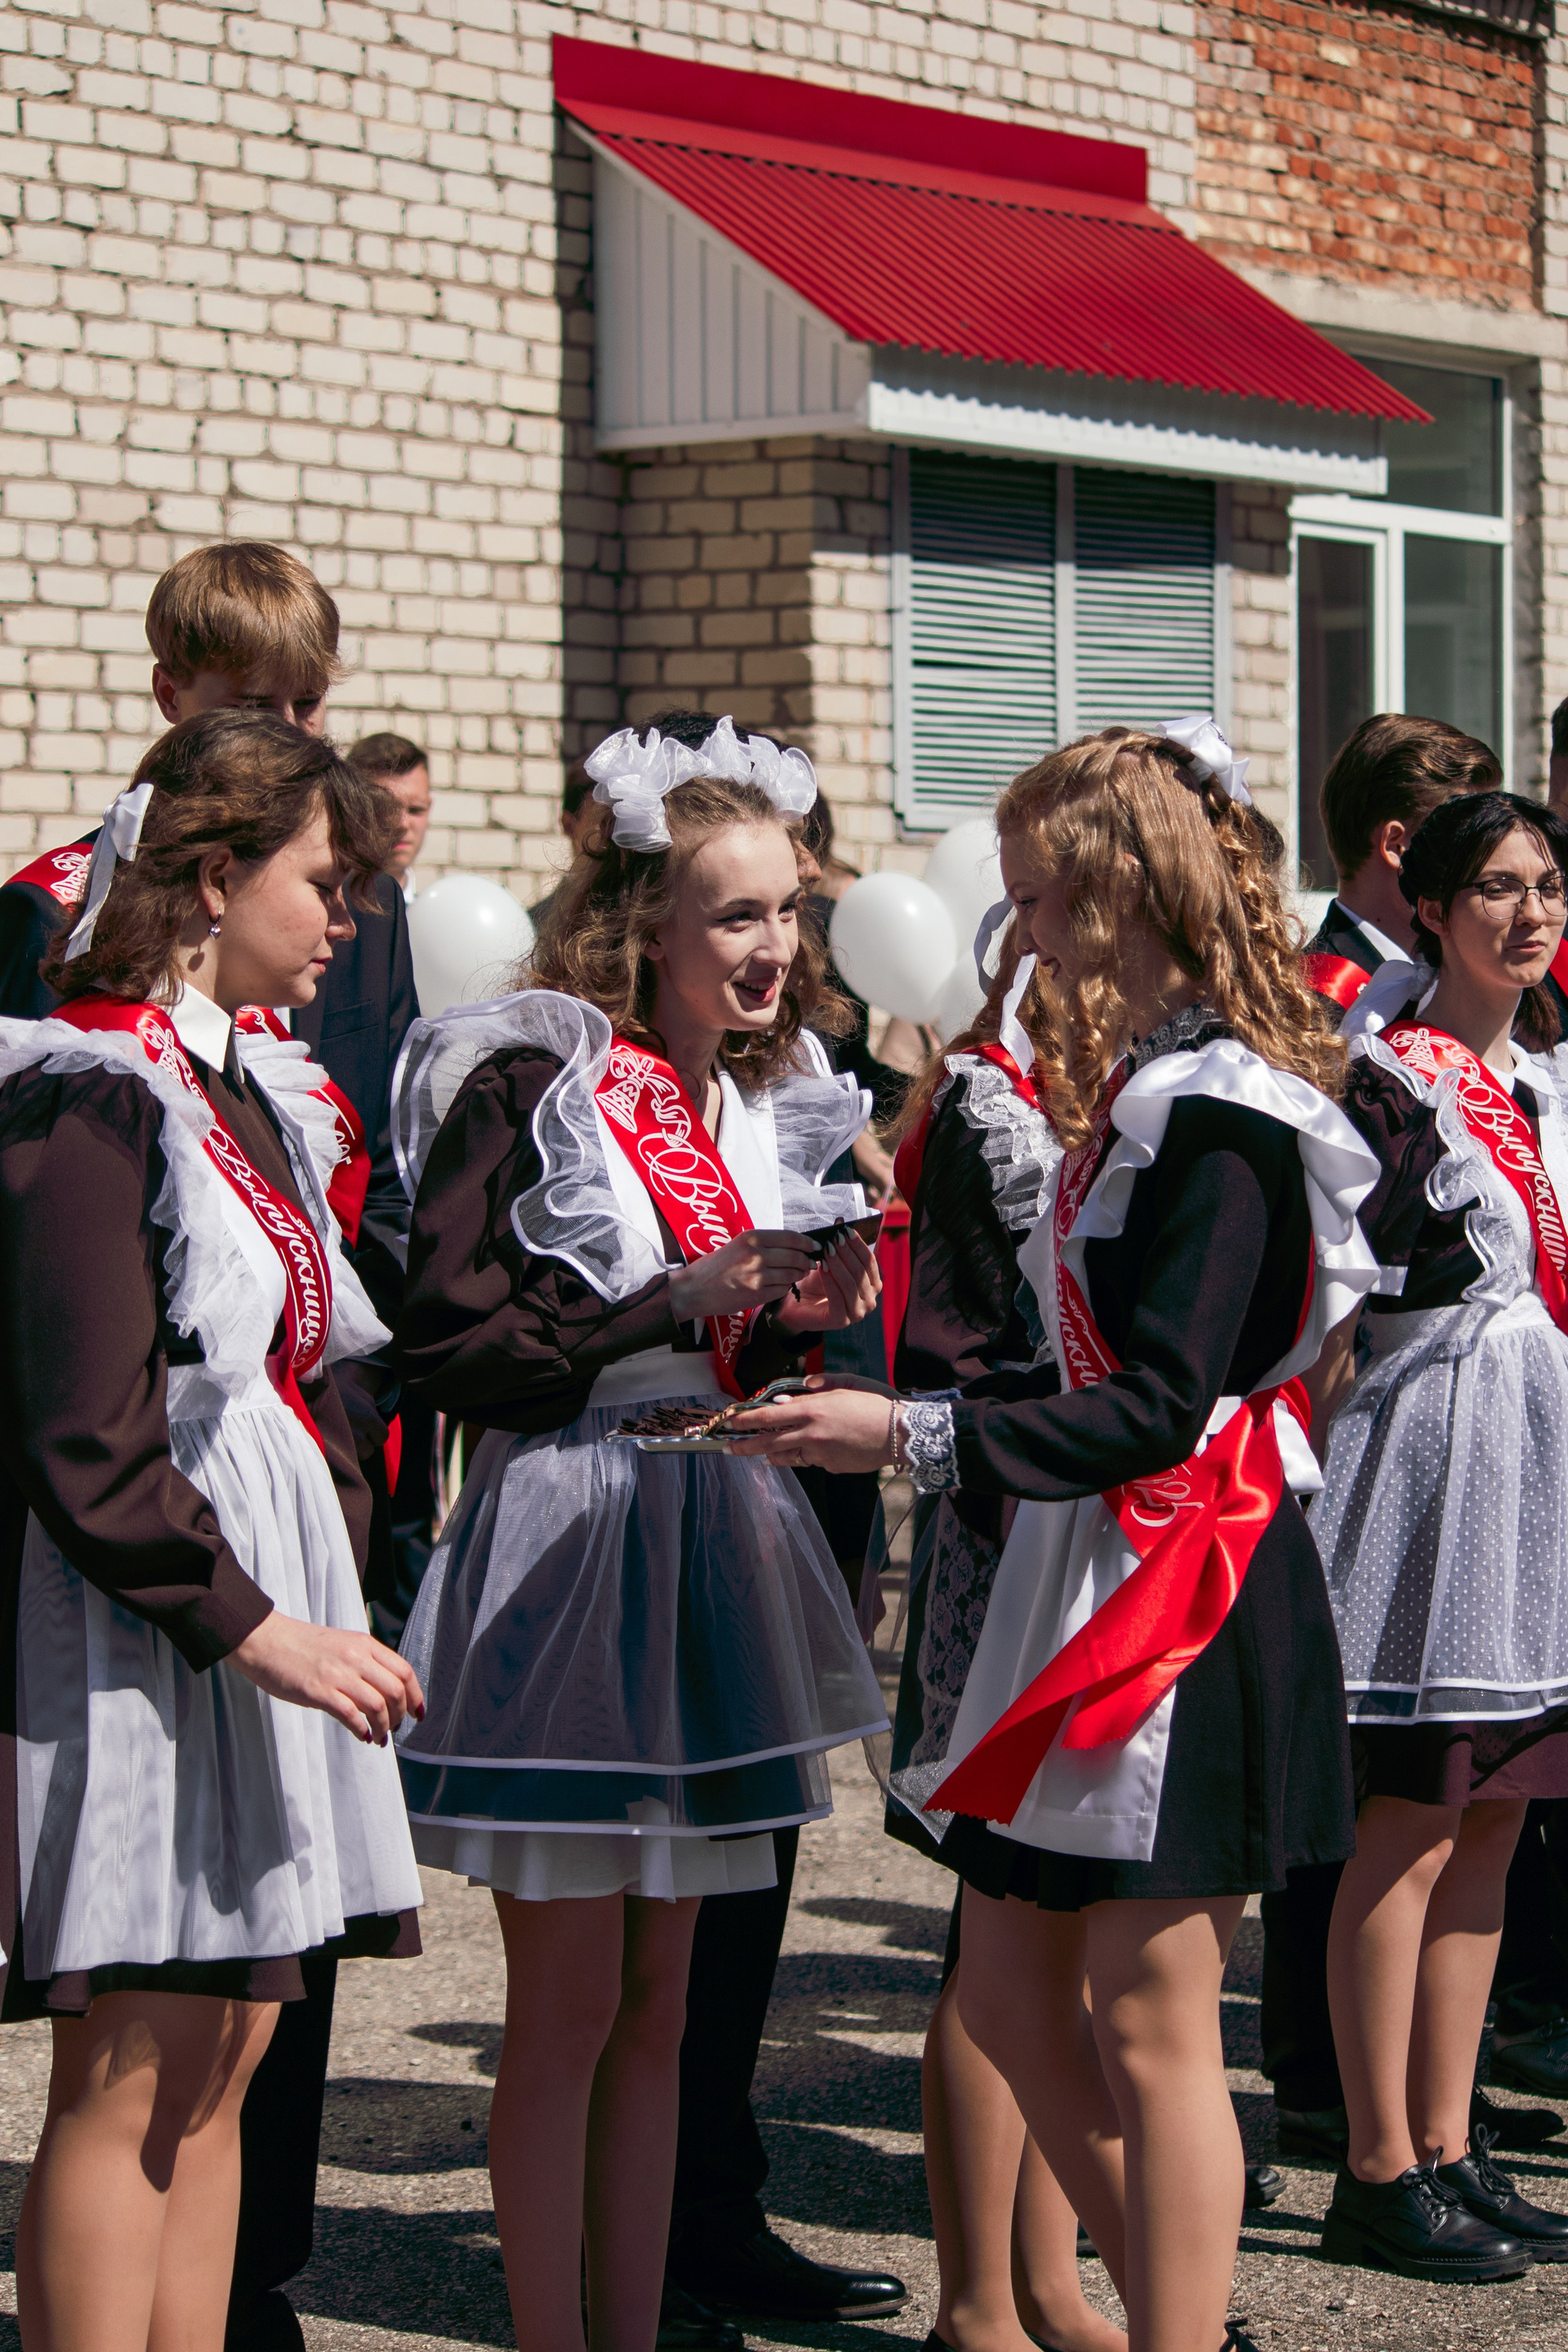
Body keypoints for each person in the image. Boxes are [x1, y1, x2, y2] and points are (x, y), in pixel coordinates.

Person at [732, 719, 1381, 2352]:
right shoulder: (1149, 1091)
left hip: (1190, 1583)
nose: (1013, 933)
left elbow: (1164, 1400)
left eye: (1033, 896)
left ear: (1118, 892)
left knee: (1152, 2021)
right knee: (1018, 1996)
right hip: (1093, 1567)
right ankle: (1170, 2303)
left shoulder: (1224, 1113)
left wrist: (909, 1434)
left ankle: (1175, 2325)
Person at [388, 715, 891, 2352]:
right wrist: (664, 1303)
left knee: (668, 2004)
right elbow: (453, 1343)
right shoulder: (538, 1080)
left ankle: (633, 2322)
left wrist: (794, 1316)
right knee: (570, 2007)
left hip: (713, 1527)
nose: (773, 947)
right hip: (577, 1534)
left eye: (789, 912)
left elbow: (726, 1334)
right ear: (643, 925)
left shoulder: (757, 1098)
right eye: (735, 914)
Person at [0, 540, 422, 2352]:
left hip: (250, 1589)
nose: (343, 922)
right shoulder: (89, 1086)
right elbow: (87, 1434)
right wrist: (263, 1629)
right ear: (211, 876)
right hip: (151, 1624)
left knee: (233, 2039)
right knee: (138, 2053)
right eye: (321, 882)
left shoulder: (240, 1079)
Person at [1305, 791, 1568, 2280]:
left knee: (1498, 1820)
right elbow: (1335, 1300)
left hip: (1535, 1472)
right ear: (1430, 906)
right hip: (1431, 1470)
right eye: (1497, 889)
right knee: (1410, 1820)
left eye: (1548, 887)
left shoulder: (1543, 1080)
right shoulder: (1387, 1079)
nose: (1529, 915)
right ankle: (1375, 2163)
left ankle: (1452, 2144)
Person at [884, 921, 1125, 2352]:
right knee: (996, 1923)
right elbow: (953, 1350)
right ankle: (979, 2299)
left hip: (1109, 1540)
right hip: (1008, 1531)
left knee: (1067, 1928)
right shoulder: (991, 1101)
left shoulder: (1139, 1087)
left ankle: (1050, 2282)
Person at [1302, 715, 1501, 1018]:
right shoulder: (1308, 1003)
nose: (1487, 860)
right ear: (1397, 846)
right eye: (1469, 841)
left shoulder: (1465, 976)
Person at [349, 731, 432, 900]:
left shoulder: (437, 911)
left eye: (416, 809)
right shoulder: (322, 911)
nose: (402, 824)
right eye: (386, 809)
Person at [528, 760, 597, 926]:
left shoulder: (646, 915)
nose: (616, 834)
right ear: (569, 825)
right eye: (603, 821)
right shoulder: (536, 925)